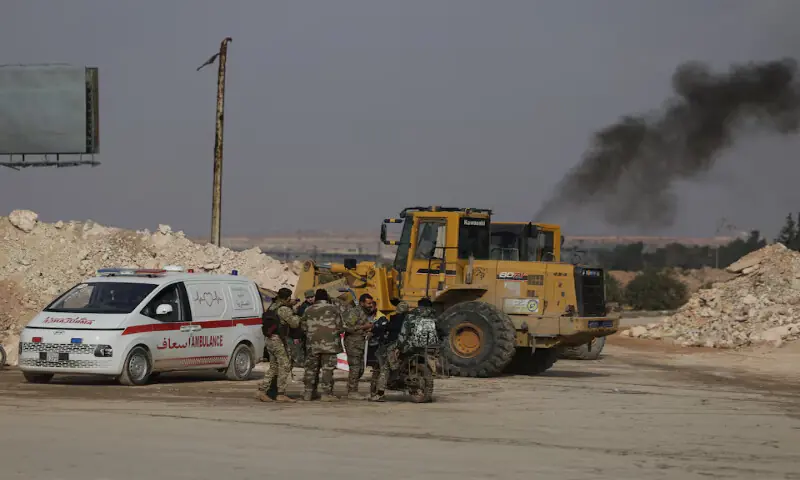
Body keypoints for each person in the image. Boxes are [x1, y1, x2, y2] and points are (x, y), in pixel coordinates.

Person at [257, 287, 301, 403]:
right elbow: (294, 323)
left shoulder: (273, 306)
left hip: (270, 339)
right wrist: (296, 312)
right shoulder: (284, 309)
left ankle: (262, 391)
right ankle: (280, 393)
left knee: (274, 366)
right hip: (277, 340)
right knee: (285, 365)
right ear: (287, 298)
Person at [300, 289, 344, 402]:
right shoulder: (334, 309)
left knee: (311, 369)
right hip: (330, 345)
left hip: (312, 345)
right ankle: (326, 394)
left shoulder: (308, 309)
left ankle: (308, 393)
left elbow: (303, 327)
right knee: (327, 369)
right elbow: (340, 326)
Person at [369, 300, 409, 402]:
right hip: (408, 348)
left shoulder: (396, 319)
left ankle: (380, 393)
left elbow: (386, 328)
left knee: (385, 368)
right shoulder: (410, 319)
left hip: (394, 346)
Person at [342, 293, 377, 400]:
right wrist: (364, 327)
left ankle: (350, 386)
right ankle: (352, 391)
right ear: (362, 303)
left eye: (371, 303)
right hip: (352, 343)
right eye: (368, 303)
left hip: (360, 343)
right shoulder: (355, 312)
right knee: (355, 367)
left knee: (361, 368)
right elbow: (347, 327)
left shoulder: (366, 313)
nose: (371, 305)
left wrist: (369, 331)